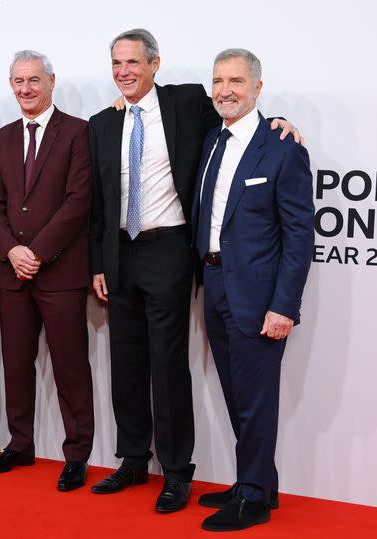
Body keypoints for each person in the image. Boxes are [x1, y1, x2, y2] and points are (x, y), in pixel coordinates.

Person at [88, 28, 299, 512]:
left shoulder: (187, 102)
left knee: (166, 364)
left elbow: (241, 120)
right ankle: (134, 458)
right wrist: (98, 262)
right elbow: (98, 204)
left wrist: (282, 123)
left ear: (155, 64)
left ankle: (177, 471)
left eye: (134, 63)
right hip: (120, 252)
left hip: (168, 249)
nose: (124, 72)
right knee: (125, 363)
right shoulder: (103, 123)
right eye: (117, 64)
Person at [193, 49, 313, 532]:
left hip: (259, 298)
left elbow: (299, 235)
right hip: (215, 284)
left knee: (256, 398)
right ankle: (259, 482)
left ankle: (253, 497)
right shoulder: (211, 140)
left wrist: (284, 306)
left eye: (237, 81)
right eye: (219, 80)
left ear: (258, 88)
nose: (225, 89)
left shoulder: (283, 147)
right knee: (237, 394)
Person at [0, 50, 94, 491]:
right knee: (15, 364)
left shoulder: (78, 133)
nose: (25, 88)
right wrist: (11, 250)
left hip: (61, 273)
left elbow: (78, 202)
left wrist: (36, 252)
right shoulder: (2, 137)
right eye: (17, 81)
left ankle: (78, 454)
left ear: (51, 81)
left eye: (33, 80)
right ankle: (20, 443)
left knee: (70, 368)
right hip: (13, 274)